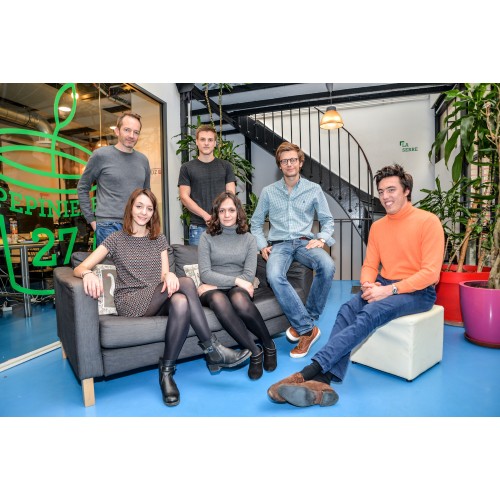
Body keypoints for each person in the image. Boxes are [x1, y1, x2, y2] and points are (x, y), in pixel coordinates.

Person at [267, 164, 445, 407]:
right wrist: (368, 285)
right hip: (384, 284)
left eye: (391, 190)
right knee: (346, 310)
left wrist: (388, 290)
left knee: (370, 312)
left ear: (406, 191)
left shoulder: (428, 222)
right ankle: (324, 382)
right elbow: (370, 264)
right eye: (381, 191)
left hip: (418, 292)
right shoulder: (379, 227)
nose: (385, 196)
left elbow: (431, 274)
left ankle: (310, 372)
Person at [73, 188, 250, 407]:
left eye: (149, 208)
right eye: (139, 206)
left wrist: (170, 276)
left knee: (180, 302)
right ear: (130, 208)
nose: (143, 212)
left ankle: (166, 371)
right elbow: (80, 267)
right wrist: (88, 274)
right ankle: (212, 349)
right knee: (186, 283)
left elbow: (164, 275)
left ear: (153, 213)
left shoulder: (158, 239)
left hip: (157, 297)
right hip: (130, 300)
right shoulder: (115, 239)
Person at [250, 141, 336, 358]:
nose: (289, 164)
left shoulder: (313, 189)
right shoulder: (269, 192)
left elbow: (327, 220)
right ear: (280, 165)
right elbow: (255, 223)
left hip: (305, 242)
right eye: (284, 161)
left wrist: (322, 238)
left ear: (300, 162)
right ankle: (307, 329)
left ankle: (308, 320)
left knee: (327, 265)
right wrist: (262, 245)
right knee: (273, 275)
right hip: (279, 244)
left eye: (293, 160)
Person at [197, 191, 277, 380]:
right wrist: (234, 281)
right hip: (213, 289)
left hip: (231, 286)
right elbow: (205, 273)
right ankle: (255, 352)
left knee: (239, 299)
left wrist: (233, 283)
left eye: (231, 210)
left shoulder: (249, 239)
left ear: (238, 212)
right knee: (219, 299)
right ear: (216, 213)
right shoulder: (206, 237)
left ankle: (268, 345)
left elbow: (248, 275)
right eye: (222, 211)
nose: (227, 215)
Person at [77, 111, 151, 247]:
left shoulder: (143, 160)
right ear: (117, 131)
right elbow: (82, 188)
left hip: (136, 225)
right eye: (127, 130)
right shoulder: (100, 155)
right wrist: (92, 221)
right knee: (109, 263)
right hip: (108, 227)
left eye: (136, 132)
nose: (131, 135)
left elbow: (147, 195)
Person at [178, 124, 236, 245]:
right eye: (202, 139)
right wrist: (206, 216)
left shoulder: (226, 166)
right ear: (196, 142)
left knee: (226, 258)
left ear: (215, 143)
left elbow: (231, 195)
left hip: (223, 226)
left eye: (210, 140)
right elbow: (184, 197)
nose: (206, 143)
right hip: (198, 228)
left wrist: (219, 216)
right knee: (198, 258)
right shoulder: (186, 168)